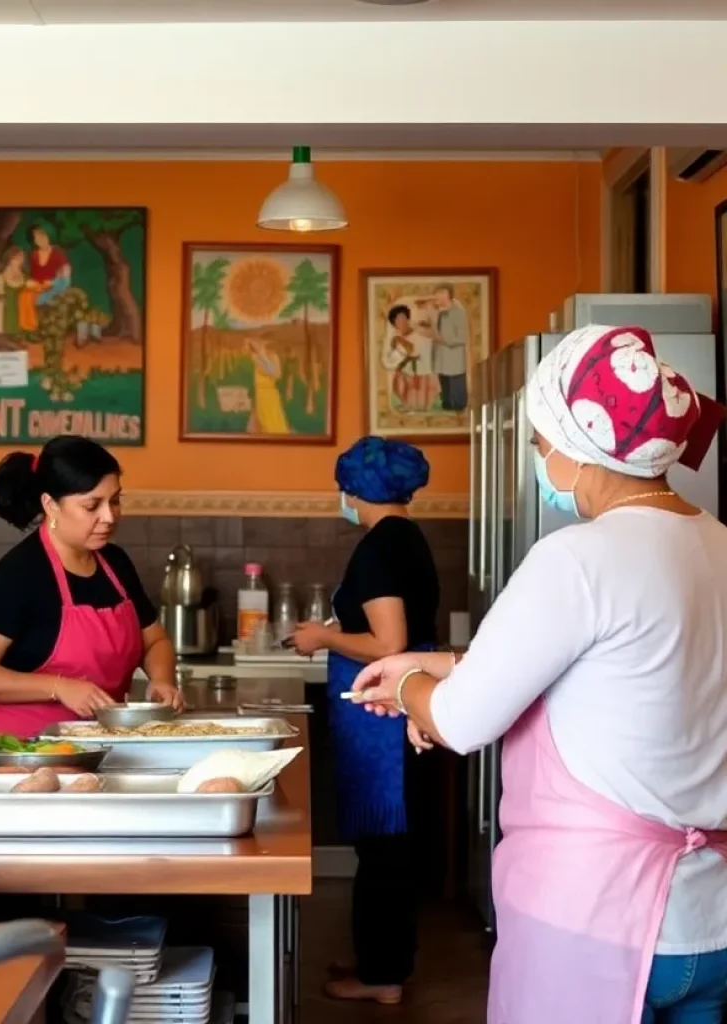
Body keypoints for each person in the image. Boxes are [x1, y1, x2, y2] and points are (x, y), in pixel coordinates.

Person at [353, 324, 727, 1024]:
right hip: (709, 924)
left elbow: (462, 721)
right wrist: (428, 663)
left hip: (594, 920)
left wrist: (407, 688)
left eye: (537, 440)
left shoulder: (578, 559)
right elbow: (624, 672)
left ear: (579, 449)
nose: (536, 455)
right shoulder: (719, 544)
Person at [289, 436, 440, 1005]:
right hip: (397, 708)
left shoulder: (380, 548)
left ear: (356, 488)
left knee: (383, 851)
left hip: (384, 716)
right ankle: (383, 963)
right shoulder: (407, 538)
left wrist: (320, 635)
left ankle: (382, 979)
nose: (341, 496)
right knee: (387, 851)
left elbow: (389, 642)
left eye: (343, 486)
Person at [0, 436, 182, 736]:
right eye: (92, 506)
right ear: (50, 504)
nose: (109, 516)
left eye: (114, 500)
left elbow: (155, 642)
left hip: (96, 742)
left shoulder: (116, 563)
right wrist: (58, 687)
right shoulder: (17, 575)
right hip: (21, 749)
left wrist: (162, 679)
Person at [428, 284, 468, 411]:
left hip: (454, 359)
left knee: (456, 391)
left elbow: (462, 337)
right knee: (445, 390)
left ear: (447, 295)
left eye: (439, 294)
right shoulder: (437, 312)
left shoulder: (458, 313)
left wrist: (443, 340)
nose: (436, 297)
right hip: (441, 358)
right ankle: (447, 406)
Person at [246, 336, 290, 435]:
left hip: (270, 393)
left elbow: (276, 374)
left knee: (272, 422)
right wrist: (262, 355)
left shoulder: (273, 356)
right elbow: (269, 370)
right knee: (259, 421)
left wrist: (264, 355)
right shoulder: (256, 357)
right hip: (261, 393)